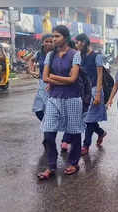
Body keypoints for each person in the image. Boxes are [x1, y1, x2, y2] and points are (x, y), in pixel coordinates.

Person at [37, 25, 84, 180]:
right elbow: (44, 78)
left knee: (74, 132)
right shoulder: (50, 55)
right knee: (48, 133)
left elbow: (73, 79)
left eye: (57, 36)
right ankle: (51, 166)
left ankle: (73, 162)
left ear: (66, 37)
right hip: (54, 98)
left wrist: (54, 78)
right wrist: (62, 80)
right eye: (53, 37)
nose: (54, 39)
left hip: (72, 99)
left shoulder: (75, 54)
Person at [75, 33, 107, 156]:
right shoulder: (79, 56)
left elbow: (100, 76)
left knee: (89, 119)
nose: (77, 45)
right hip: (83, 92)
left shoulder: (96, 56)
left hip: (94, 90)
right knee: (89, 118)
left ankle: (86, 145)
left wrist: (98, 94)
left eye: (78, 42)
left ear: (84, 42)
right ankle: (100, 132)